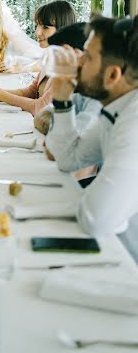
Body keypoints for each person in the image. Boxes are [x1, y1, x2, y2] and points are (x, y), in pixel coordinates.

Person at [46, 15, 138, 255]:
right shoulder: (118, 106)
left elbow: (95, 218)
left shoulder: (133, 122)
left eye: (87, 56)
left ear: (112, 76)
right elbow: (67, 158)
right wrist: (62, 102)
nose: (77, 61)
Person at [0, 0, 76, 114]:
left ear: (63, 29)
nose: (37, 32)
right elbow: (31, 92)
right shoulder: (51, 58)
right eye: (38, 25)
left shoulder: (67, 66)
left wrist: (2, 96)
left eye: (45, 27)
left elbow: (41, 107)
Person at [34, 22, 102, 135]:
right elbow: (41, 116)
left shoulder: (98, 100)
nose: (56, 65)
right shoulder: (80, 93)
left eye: (61, 58)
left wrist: (57, 128)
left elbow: (72, 141)